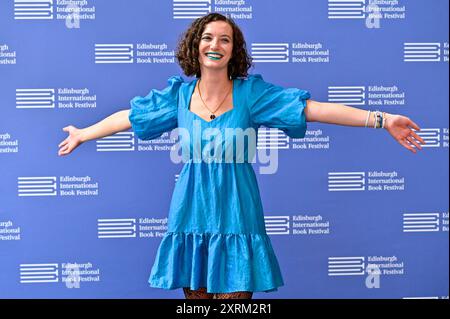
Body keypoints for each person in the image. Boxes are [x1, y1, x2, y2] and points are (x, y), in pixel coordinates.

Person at [58, 13, 426, 299]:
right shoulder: (178, 97)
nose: (215, 44)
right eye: (207, 37)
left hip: (238, 211)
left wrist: (382, 119)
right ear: (194, 46)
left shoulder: (252, 94)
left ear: (235, 50)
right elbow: (130, 116)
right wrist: (84, 134)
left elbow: (313, 109)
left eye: (225, 39)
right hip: (192, 210)